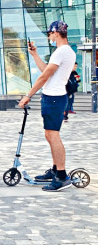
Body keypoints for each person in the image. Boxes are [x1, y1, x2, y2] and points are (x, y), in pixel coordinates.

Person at [18, 21, 76, 192]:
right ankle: (56, 169)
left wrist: (28, 95)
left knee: (54, 135)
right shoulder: (64, 51)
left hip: (54, 98)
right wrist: (35, 55)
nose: (48, 37)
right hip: (53, 97)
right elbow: (47, 72)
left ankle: (62, 176)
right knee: (50, 135)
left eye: (49, 34)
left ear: (56, 33)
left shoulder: (62, 51)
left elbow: (44, 78)